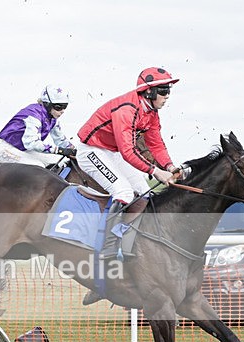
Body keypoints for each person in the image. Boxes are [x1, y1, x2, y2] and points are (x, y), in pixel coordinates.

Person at [75, 67, 184, 260]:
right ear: (149, 91)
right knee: (124, 192)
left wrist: (170, 167)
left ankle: (131, 240)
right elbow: (128, 151)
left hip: (111, 152)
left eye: (169, 90)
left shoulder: (151, 112)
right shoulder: (127, 109)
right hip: (91, 150)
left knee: (145, 192)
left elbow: (156, 145)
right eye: (164, 91)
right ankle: (107, 247)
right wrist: (156, 172)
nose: (167, 96)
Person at [0, 84, 77, 167]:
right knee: (37, 166)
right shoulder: (33, 116)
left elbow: (60, 140)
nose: (62, 111)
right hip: (5, 149)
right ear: (47, 104)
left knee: (61, 161)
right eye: (59, 107)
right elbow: (32, 143)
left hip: (24, 150)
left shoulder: (53, 119)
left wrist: (75, 151)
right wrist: (59, 150)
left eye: (65, 107)